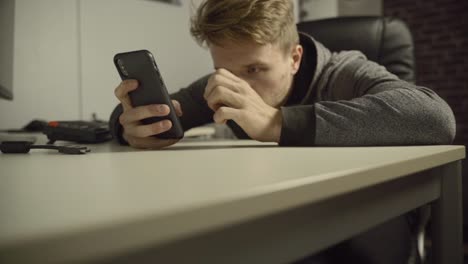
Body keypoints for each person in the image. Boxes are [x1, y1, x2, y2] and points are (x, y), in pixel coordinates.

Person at [110, 0, 456, 263]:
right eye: (222, 69)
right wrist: (133, 125)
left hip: (362, 215)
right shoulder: (222, 83)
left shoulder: (346, 72)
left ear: (294, 57)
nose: (237, 86)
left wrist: (276, 122)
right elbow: (165, 111)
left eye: (255, 68)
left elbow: (436, 117)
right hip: (266, 218)